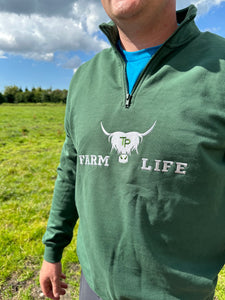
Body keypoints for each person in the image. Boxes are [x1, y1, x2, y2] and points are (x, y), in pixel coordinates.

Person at [39, 0, 225, 299]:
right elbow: (71, 168)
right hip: (93, 285)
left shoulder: (221, 69)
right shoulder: (84, 78)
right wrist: (52, 250)